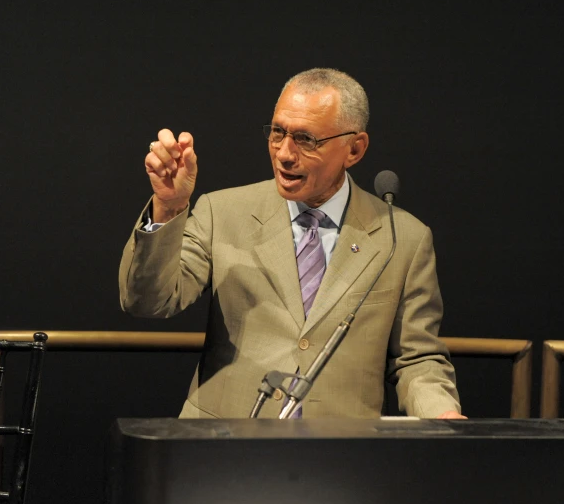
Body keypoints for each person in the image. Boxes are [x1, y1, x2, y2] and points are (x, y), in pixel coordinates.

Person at [119, 68, 465, 419]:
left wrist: (443, 416)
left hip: (345, 454)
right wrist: (169, 206)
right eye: (278, 133)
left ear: (355, 149)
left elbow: (417, 359)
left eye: (306, 139)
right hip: (226, 447)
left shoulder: (401, 238)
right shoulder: (222, 213)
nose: (284, 153)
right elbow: (147, 302)